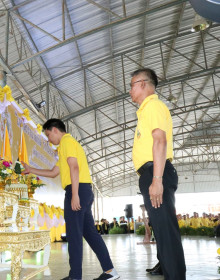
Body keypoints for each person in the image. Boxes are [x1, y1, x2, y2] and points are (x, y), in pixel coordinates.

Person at [22, 119, 119, 280]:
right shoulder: (66, 146)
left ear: (54, 130)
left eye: (48, 135)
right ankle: (110, 272)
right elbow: (54, 172)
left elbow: (74, 167)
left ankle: (75, 276)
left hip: (78, 189)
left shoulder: (66, 142)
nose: (48, 140)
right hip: (84, 190)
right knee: (90, 234)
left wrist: (74, 195)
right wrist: (31, 169)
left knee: (74, 235)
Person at [129, 68, 186, 279]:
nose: (130, 90)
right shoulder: (146, 110)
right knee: (162, 233)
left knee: (167, 234)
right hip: (153, 172)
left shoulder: (152, 106)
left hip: (156, 171)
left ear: (143, 83)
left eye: (132, 84)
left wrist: (157, 179)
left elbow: (159, 141)